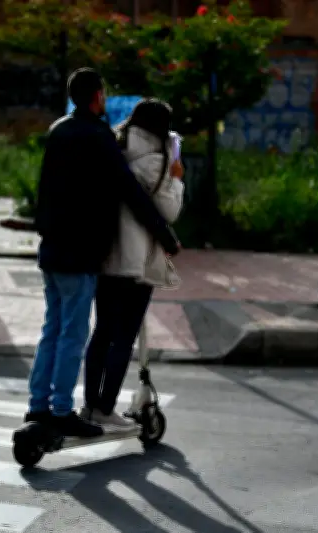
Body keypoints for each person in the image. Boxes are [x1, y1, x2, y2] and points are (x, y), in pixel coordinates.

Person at [25, 68, 180, 438]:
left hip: (52, 250)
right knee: (73, 335)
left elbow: (44, 190)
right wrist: (167, 237)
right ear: (97, 96)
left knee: (52, 329)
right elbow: (132, 192)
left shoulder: (59, 129)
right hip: (81, 253)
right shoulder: (98, 137)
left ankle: (37, 404)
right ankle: (62, 410)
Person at [80, 98, 184, 427]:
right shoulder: (158, 159)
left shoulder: (112, 142)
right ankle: (106, 406)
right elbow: (169, 212)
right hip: (138, 260)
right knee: (125, 335)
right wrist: (177, 179)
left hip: (105, 253)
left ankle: (89, 404)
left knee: (102, 331)